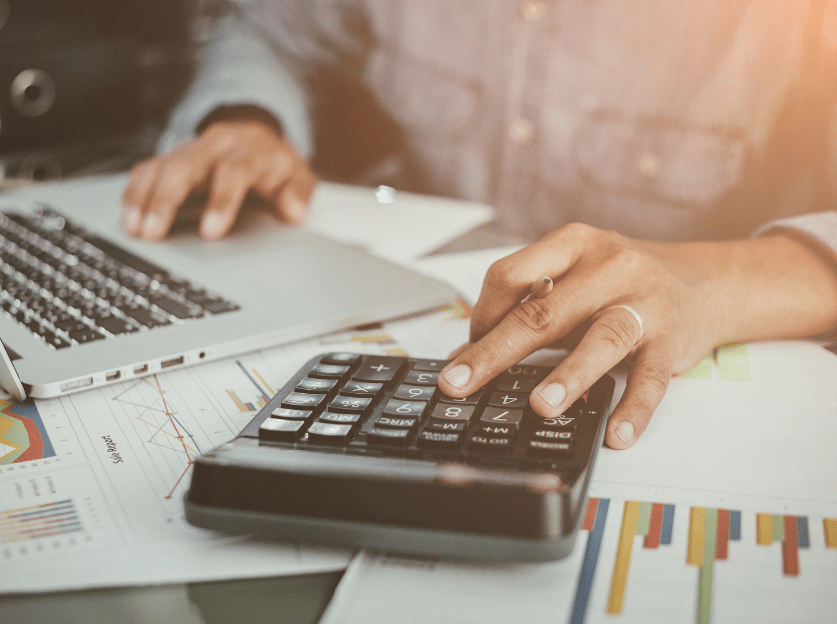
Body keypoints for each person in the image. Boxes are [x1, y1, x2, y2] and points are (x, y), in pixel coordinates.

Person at [119, 0, 837, 449]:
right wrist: (247, 117)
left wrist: (712, 280)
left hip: (692, 403)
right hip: (411, 338)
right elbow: (274, 32)